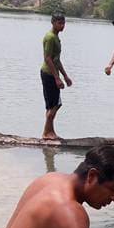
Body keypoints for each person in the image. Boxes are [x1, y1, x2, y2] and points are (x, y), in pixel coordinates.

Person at [41, 12, 73, 140]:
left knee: (53, 104)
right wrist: (57, 78)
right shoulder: (50, 37)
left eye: (63, 23)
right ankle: (46, 133)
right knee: (54, 104)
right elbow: (48, 59)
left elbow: (56, 60)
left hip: (52, 73)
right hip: (48, 73)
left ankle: (50, 131)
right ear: (53, 22)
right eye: (59, 23)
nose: (62, 25)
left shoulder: (55, 37)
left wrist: (65, 76)